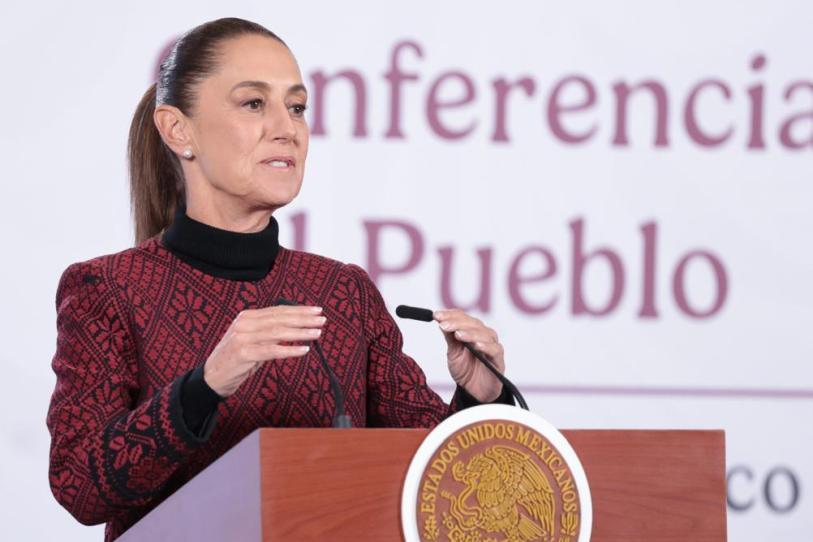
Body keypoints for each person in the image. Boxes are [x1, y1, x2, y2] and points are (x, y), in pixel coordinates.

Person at [46, 17, 512, 541]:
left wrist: (479, 399)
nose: (286, 128)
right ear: (178, 130)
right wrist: (205, 385)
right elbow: (79, 485)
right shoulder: (107, 289)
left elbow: (430, 475)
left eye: (296, 107)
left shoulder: (344, 293)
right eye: (253, 103)